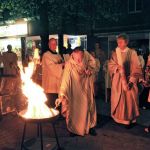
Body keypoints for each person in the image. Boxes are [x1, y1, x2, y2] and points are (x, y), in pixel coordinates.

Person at [55, 47, 97, 137]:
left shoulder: (86, 56)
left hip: (86, 87)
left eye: (80, 58)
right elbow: (65, 80)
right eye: (77, 58)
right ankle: (73, 129)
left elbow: (94, 64)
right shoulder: (69, 64)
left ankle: (90, 127)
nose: (78, 60)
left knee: (89, 106)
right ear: (73, 55)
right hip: (74, 90)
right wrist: (62, 94)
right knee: (74, 110)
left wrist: (90, 70)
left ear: (83, 54)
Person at [108, 33, 143, 128]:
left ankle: (129, 120)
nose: (118, 44)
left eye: (120, 42)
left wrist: (131, 80)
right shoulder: (115, 53)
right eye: (117, 42)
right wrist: (117, 68)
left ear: (126, 42)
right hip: (118, 80)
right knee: (119, 100)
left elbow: (137, 67)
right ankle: (118, 119)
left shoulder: (132, 52)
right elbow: (110, 64)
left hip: (129, 79)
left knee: (129, 100)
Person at [42, 38, 65, 108]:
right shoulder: (46, 55)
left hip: (59, 83)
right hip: (50, 85)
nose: (54, 45)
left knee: (58, 103)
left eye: (55, 44)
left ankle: (58, 116)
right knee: (51, 104)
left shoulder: (58, 55)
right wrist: (63, 65)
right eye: (52, 44)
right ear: (49, 45)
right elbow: (52, 68)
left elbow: (62, 65)